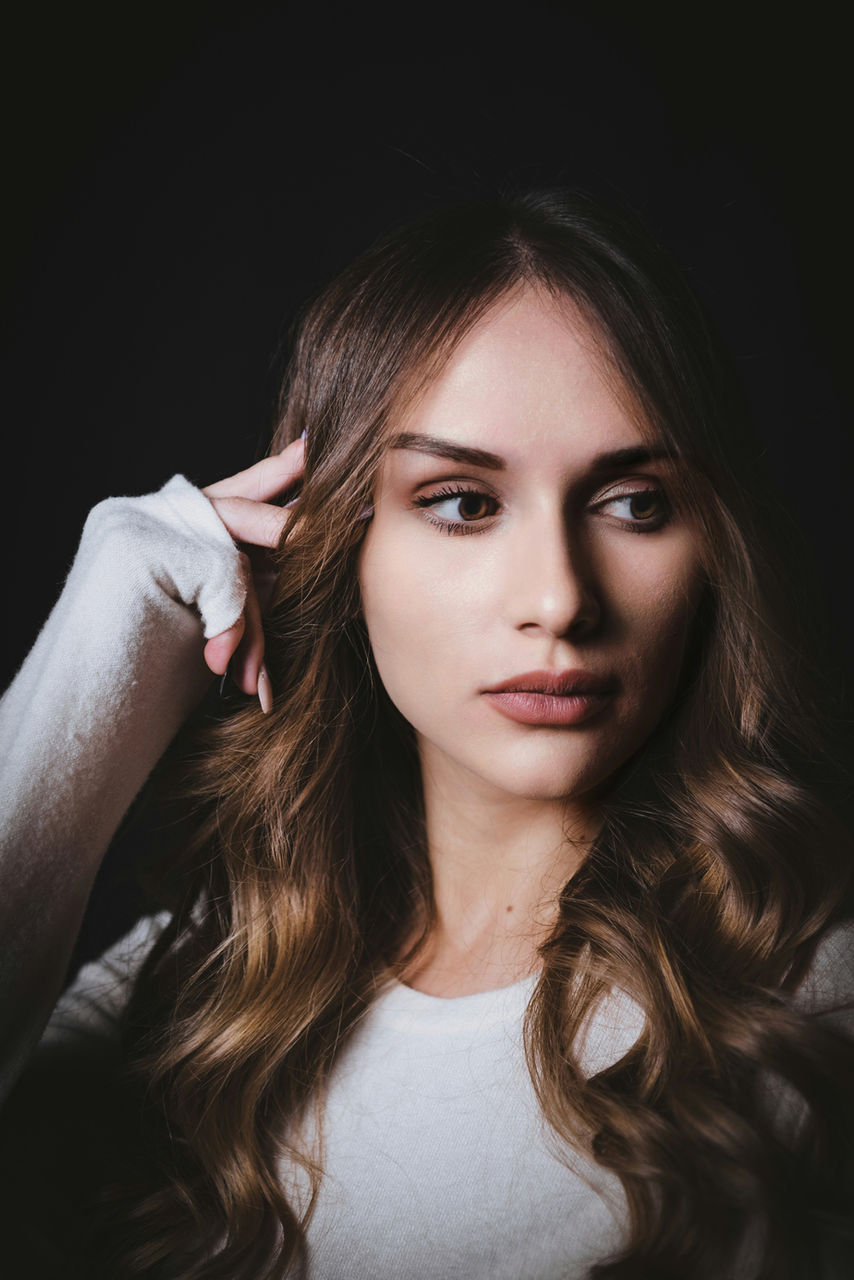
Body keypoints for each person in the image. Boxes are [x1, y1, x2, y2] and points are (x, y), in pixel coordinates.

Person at [0, 190, 852, 1279]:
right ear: (334, 539)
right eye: (461, 501)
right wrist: (104, 641)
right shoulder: (192, 985)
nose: (556, 598)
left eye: (633, 502)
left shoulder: (809, 1012)